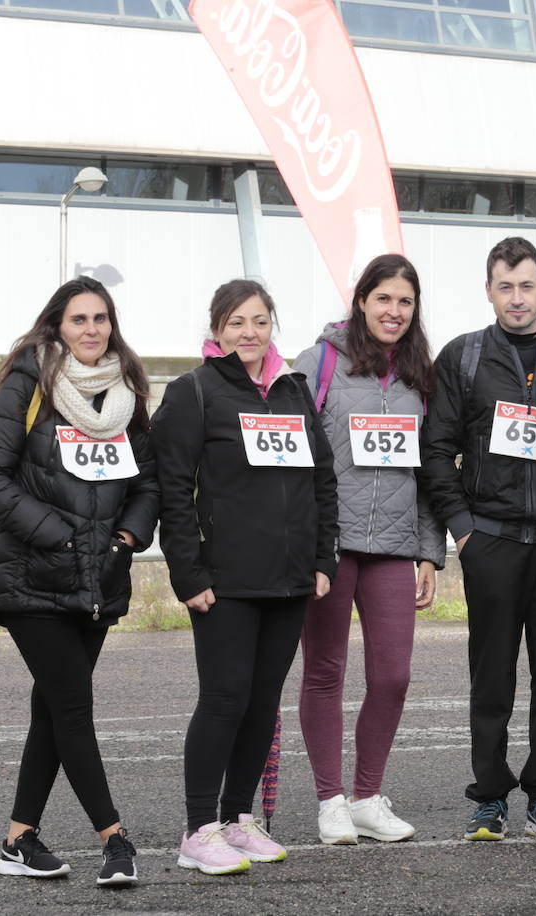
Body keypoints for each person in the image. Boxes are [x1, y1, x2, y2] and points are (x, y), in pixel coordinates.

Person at [0, 276, 156, 887]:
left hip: (99, 580)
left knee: (53, 710)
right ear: (57, 326)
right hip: (33, 577)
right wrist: (63, 536)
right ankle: (115, 839)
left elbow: (146, 484)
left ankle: (19, 839)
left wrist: (124, 542)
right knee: (74, 706)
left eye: (101, 318)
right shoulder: (28, 382)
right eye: (79, 319)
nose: (92, 329)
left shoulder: (127, 395)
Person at [151, 279, 338, 875]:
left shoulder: (294, 390)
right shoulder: (193, 393)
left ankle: (237, 819)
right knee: (224, 700)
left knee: (263, 705)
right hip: (224, 581)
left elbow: (322, 480)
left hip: (289, 581)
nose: (249, 333)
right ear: (217, 330)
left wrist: (322, 560)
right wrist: (188, 572)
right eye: (236, 323)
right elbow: (172, 490)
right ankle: (198, 829)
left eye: (259, 322)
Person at [420, 237, 536, 844]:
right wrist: (462, 530)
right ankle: (489, 795)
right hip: (490, 540)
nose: (516, 298)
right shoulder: (463, 357)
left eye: (526, 285)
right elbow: (436, 449)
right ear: (488, 290)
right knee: (491, 674)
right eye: (504, 286)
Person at [292, 254, 446, 845]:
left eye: (405, 301)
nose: (394, 311)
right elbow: (291, 450)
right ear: (361, 301)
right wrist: (304, 545)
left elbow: (431, 471)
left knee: (394, 677)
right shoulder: (320, 362)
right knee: (325, 671)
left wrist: (430, 552)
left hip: (394, 546)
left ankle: (367, 797)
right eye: (383, 298)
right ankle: (330, 801)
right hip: (330, 546)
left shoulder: (419, 376)